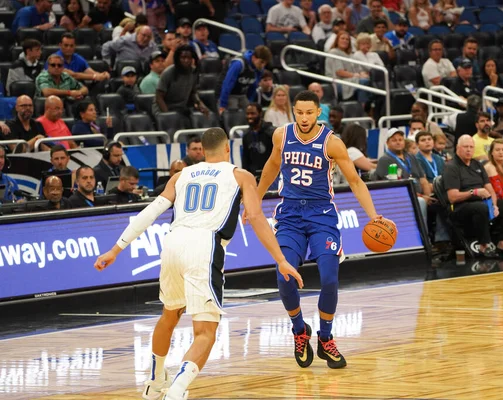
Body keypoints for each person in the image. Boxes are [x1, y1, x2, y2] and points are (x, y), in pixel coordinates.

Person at [94, 127, 302, 400]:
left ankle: (155, 381)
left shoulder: (181, 176)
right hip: (204, 247)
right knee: (205, 332)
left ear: (202, 151)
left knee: (169, 314)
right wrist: (281, 259)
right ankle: (177, 391)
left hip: (172, 243)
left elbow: (151, 211)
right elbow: (256, 218)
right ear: (228, 149)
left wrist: (115, 249)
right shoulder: (241, 175)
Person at [250, 90, 383, 370]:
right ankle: (300, 330)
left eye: (310, 112)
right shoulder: (281, 136)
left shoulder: (332, 143)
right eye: (299, 112)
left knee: (330, 279)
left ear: (318, 112)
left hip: (322, 214)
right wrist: (255, 202)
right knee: (284, 276)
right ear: (293, 112)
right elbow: (272, 166)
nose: (304, 117)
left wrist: (374, 216)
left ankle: (325, 337)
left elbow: (356, 183)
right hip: (290, 214)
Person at [443, 135, 503, 257]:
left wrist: (494, 205)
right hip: (460, 207)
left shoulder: (477, 165)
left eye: (471, 147)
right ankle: (484, 246)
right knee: (480, 207)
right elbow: (452, 197)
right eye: (465, 147)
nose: (469, 150)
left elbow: (490, 190)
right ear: (458, 148)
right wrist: (474, 192)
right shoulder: (451, 167)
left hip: (483, 203)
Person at [153, 45, 208, 118]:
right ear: (177, 58)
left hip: (181, 108)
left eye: (189, 58)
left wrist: (200, 104)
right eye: (183, 58)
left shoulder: (194, 72)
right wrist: (168, 115)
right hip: (163, 109)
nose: (186, 60)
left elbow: (193, 92)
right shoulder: (168, 72)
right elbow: (159, 97)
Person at [215, 46, 272, 115]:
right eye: (261, 62)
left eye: (265, 63)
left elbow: (253, 86)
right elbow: (227, 84)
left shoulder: (259, 69)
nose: (263, 65)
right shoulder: (239, 64)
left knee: (251, 113)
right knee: (234, 115)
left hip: (242, 94)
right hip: (227, 93)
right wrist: (222, 105)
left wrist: (250, 102)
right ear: (254, 58)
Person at [325, 31, 366, 101]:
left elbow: (359, 69)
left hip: (351, 78)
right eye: (342, 38)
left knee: (367, 80)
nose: (345, 41)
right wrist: (355, 75)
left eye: (347, 39)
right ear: (337, 40)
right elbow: (339, 72)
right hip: (338, 80)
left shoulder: (351, 54)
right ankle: (362, 107)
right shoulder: (334, 52)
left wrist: (362, 73)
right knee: (363, 82)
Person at [242, 103, 275, 177]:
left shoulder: (272, 133)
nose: (249, 116)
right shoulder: (246, 135)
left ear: (260, 114)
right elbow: (245, 159)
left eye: (253, 113)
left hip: (271, 175)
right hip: (253, 176)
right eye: (247, 114)